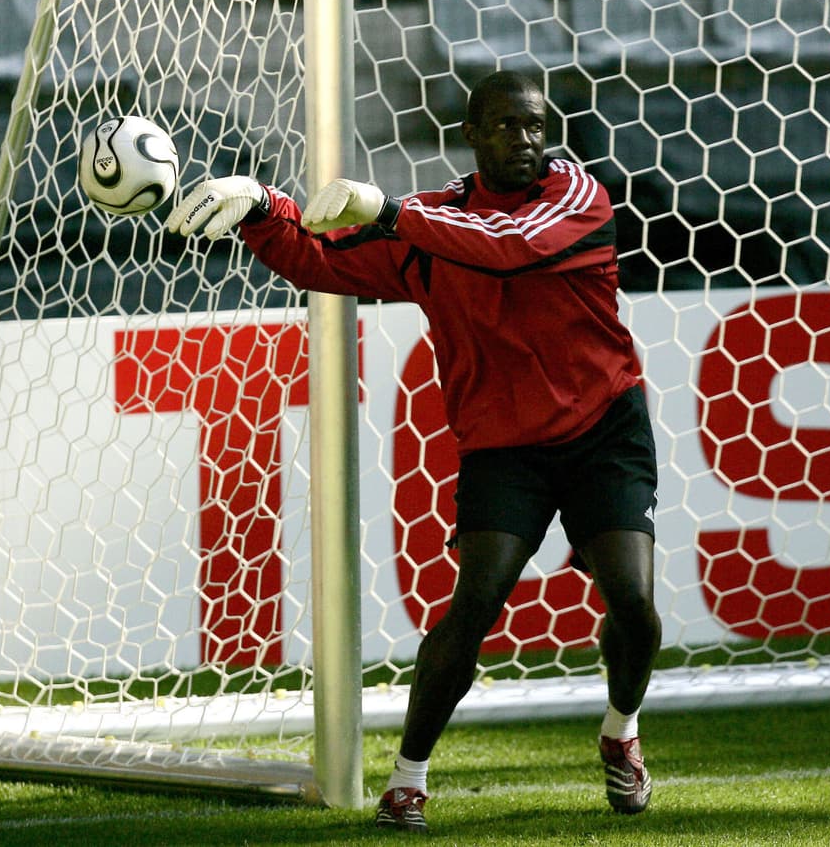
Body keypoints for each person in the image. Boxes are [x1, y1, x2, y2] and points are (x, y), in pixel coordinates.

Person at [166, 70, 661, 833]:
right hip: (503, 446)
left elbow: (508, 249)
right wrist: (264, 212)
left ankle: (620, 732)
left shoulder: (579, 199)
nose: (524, 140)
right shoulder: (432, 226)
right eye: (504, 126)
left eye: (534, 126)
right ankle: (408, 780)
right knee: (474, 608)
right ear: (472, 134)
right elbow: (322, 261)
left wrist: (392, 212)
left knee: (633, 605)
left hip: (604, 429)